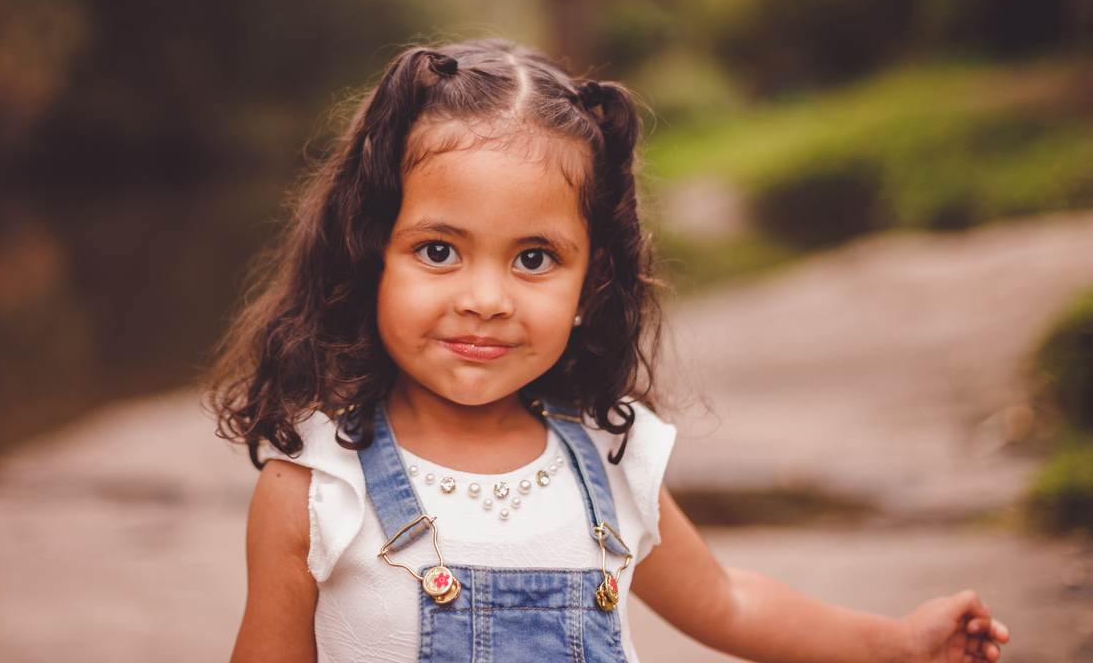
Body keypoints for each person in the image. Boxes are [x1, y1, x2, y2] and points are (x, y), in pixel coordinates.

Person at [209, 39, 1010, 663]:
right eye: (439, 251)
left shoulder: (606, 457)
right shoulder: (316, 488)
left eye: (534, 259)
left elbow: (729, 601)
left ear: (593, 280)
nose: (486, 299)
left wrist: (895, 643)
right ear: (368, 252)